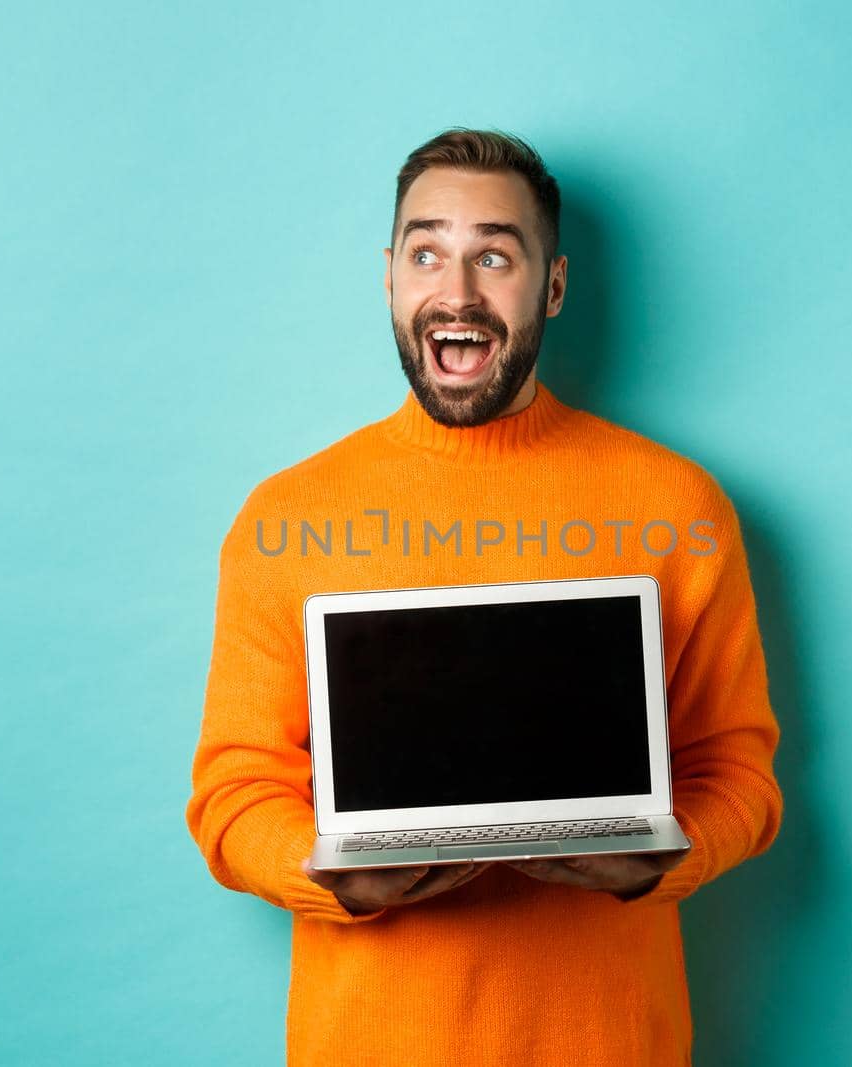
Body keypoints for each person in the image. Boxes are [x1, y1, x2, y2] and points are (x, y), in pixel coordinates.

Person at [186, 127, 783, 1066]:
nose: (455, 292)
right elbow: (231, 793)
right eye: (426, 252)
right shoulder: (285, 517)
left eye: (494, 257)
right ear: (389, 276)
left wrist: (667, 858)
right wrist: (329, 871)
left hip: (611, 1044)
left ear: (551, 286)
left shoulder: (679, 506)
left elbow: (741, 773)